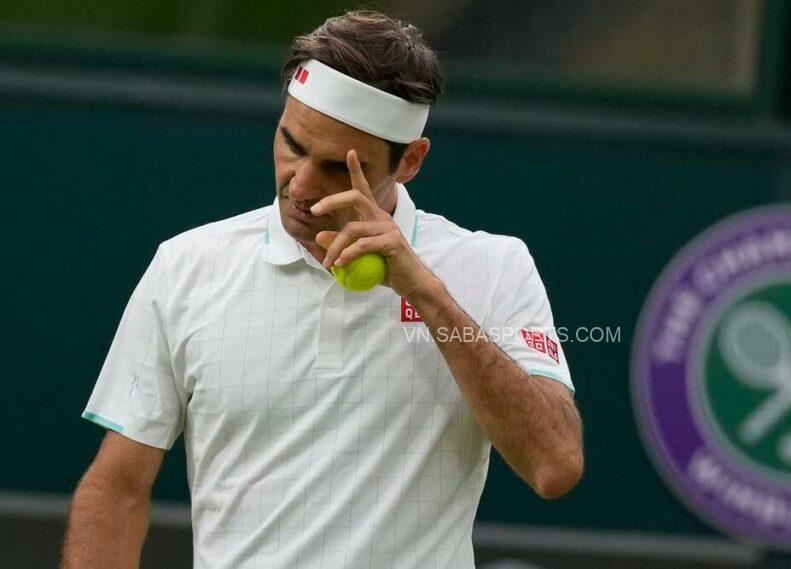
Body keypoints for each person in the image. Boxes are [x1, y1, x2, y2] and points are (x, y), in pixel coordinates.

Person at [62, 10, 583, 569]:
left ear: (409, 161)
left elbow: (554, 465)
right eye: (291, 144)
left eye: (338, 167)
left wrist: (425, 293)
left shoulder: (495, 266)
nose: (301, 185)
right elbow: (115, 491)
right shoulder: (186, 267)